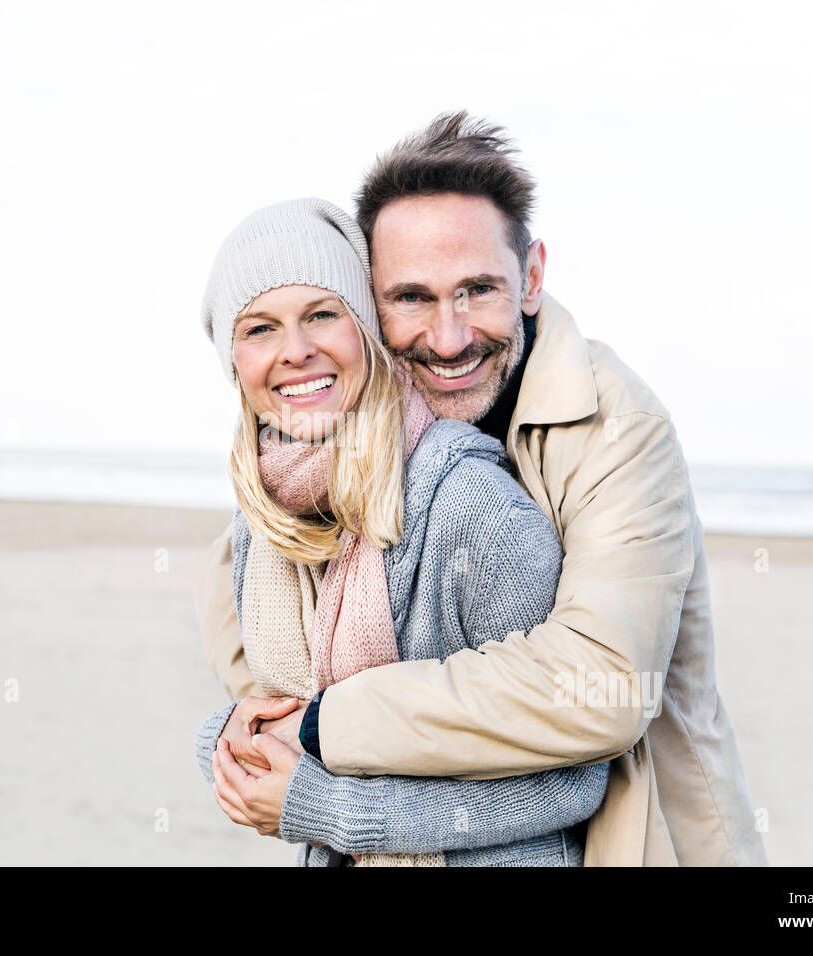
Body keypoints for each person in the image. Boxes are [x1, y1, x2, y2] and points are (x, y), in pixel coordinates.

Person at [197, 112, 768, 866]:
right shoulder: (333, 463)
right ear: (371, 304)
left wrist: (319, 729)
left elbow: (603, 690)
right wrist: (239, 735)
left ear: (530, 277)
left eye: (477, 289)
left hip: (643, 839)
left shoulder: (619, 429)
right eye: (411, 297)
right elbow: (269, 678)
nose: (449, 336)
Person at [193, 197, 609, 866]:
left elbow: (572, 777)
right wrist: (225, 741)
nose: (296, 352)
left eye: (322, 315)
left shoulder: (472, 509)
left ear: (366, 328)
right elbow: (286, 717)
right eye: (260, 329)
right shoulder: (264, 521)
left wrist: (326, 807)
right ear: (232, 359)